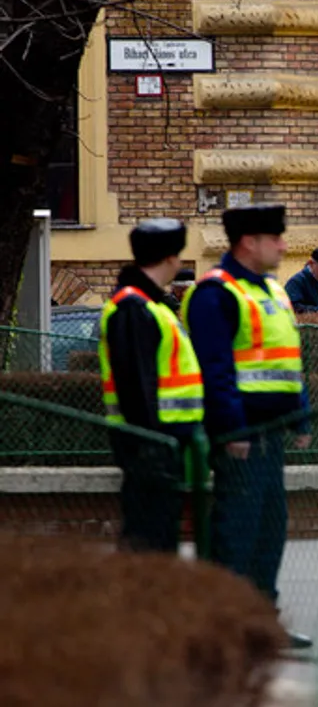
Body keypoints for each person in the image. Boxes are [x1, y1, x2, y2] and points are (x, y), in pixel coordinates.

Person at [182, 204, 312, 650]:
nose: (283, 246)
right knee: (237, 529)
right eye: (275, 238)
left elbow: (290, 358)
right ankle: (227, 625)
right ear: (248, 243)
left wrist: (300, 415)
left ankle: (261, 621)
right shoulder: (215, 293)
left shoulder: (273, 291)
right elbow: (216, 370)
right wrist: (234, 429)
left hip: (272, 433)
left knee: (270, 526)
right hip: (243, 437)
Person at [98, 219, 202, 553]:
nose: (180, 263)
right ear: (170, 258)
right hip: (151, 444)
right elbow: (135, 387)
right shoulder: (134, 308)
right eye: (179, 256)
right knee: (149, 539)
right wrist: (152, 443)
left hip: (157, 443)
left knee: (155, 535)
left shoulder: (148, 305)